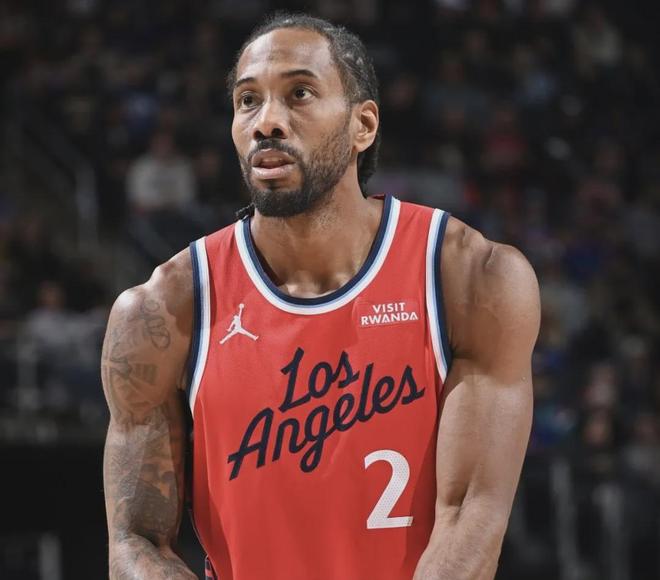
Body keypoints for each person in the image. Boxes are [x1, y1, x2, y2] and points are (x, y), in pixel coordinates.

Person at [101, 13, 540, 580]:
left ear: (363, 125)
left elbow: (470, 517)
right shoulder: (164, 309)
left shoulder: (469, 278)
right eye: (247, 101)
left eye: (299, 94)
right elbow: (135, 540)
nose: (267, 121)